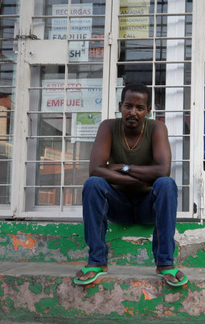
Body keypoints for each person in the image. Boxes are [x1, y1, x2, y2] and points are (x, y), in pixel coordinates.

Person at [73, 81, 188, 287]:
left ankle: (165, 263)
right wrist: (143, 177)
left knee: (166, 184)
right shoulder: (108, 127)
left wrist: (121, 167)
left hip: (147, 208)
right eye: (128, 106)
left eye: (140, 108)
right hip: (119, 206)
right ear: (120, 107)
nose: (133, 112)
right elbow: (96, 169)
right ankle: (97, 261)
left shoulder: (157, 128)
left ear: (148, 111)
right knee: (93, 184)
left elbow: (163, 171)